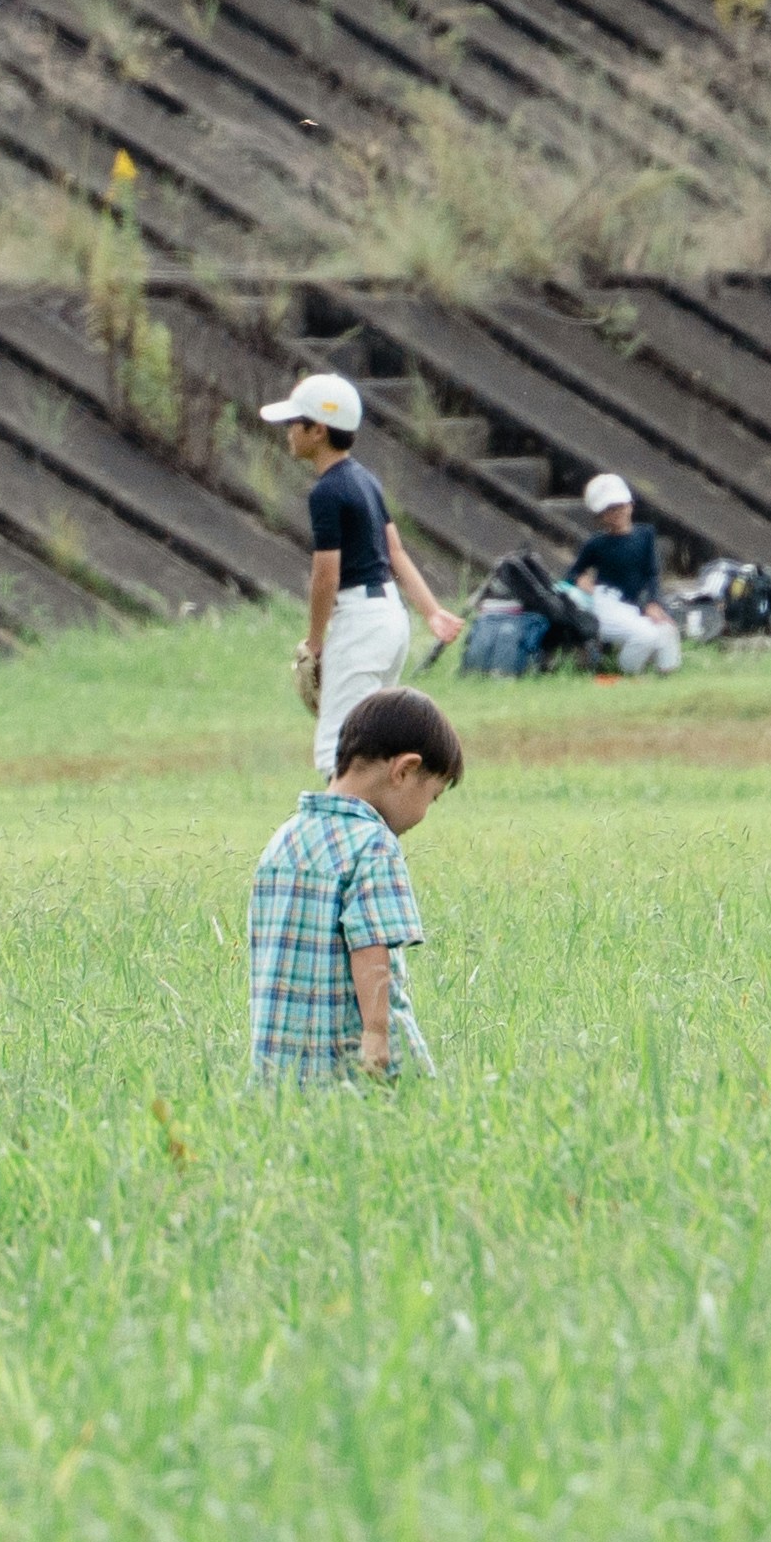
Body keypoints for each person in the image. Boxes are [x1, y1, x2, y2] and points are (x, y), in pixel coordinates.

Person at [243, 686, 462, 1086]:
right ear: (405, 770)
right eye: (433, 796)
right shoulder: (373, 845)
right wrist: (376, 1033)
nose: (426, 812)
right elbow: (369, 945)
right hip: (350, 1059)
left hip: (279, 1067)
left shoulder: (283, 840)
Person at [268, 373, 453, 744]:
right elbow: (395, 552)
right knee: (372, 741)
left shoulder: (327, 492)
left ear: (318, 430)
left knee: (337, 745)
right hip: (391, 619)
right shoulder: (364, 479)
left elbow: (326, 577)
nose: (288, 430)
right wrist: (430, 611)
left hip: (360, 622)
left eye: (294, 422)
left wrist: (315, 642)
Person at [560, 477, 686, 677]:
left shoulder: (645, 535)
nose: (616, 513)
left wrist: (654, 603)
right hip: (608, 606)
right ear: (600, 516)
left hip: (633, 606)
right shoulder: (596, 544)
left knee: (667, 631)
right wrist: (580, 580)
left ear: (630, 506)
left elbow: (652, 573)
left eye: (619, 506)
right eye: (608, 510)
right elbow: (572, 573)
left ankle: (666, 676)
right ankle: (627, 673)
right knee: (645, 635)